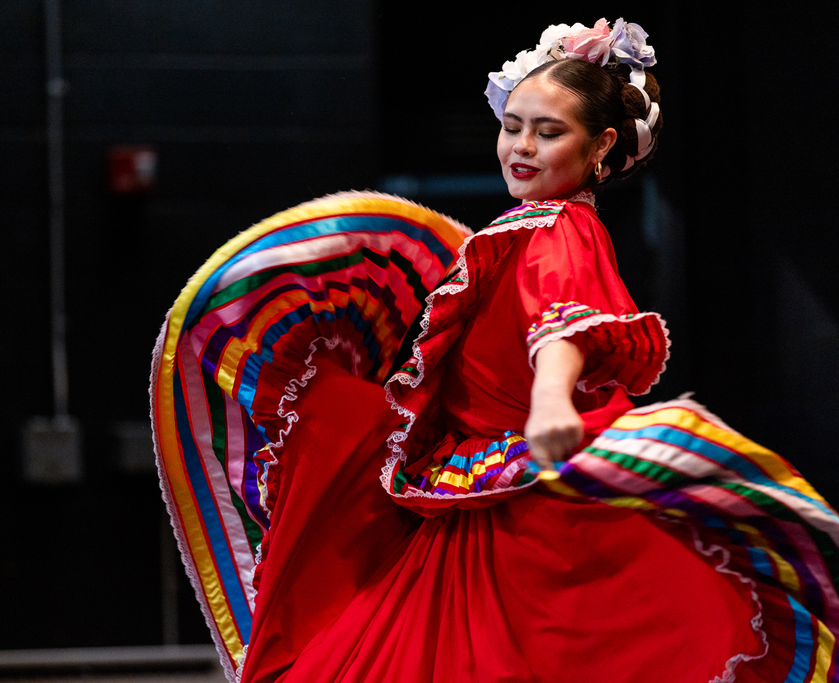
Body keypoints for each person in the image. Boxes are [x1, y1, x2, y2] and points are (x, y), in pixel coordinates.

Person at [151, 18, 839, 683]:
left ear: (600, 147)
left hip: (509, 502)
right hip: (473, 499)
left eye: (549, 132)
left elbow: (562, 319)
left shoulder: (560, 226)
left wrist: (547, 401)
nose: (522, 147)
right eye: (513, 127)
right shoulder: (527, 223)